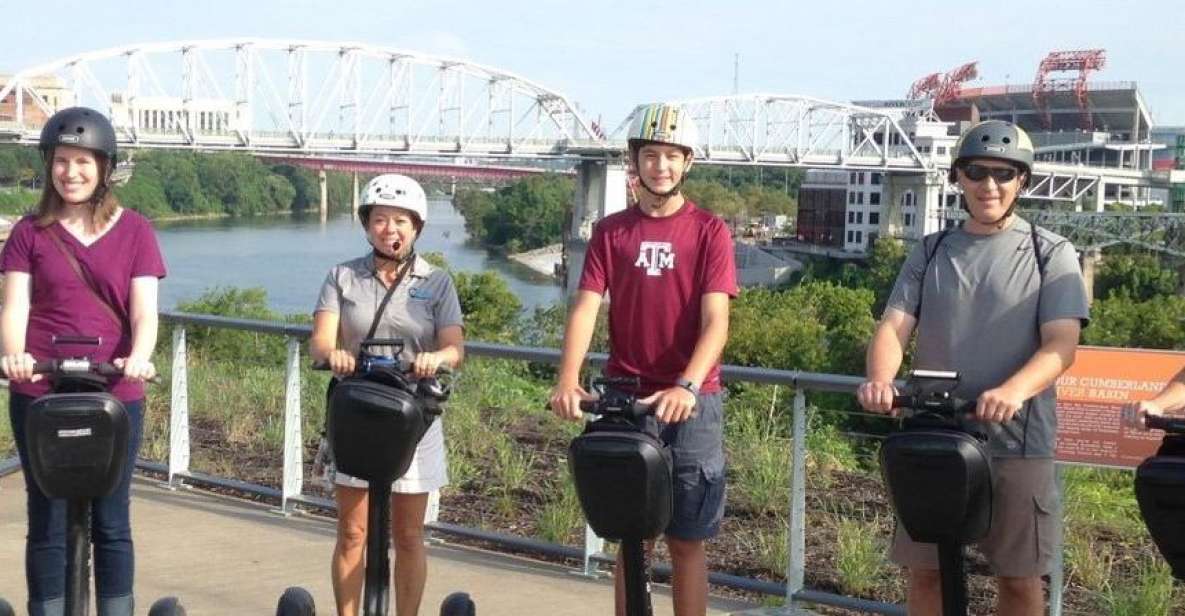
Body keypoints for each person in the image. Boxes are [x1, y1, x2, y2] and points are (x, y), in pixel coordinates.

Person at [857, 120, 1090, 615]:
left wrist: (1014, 390)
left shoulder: (1050, 252)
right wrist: (880, 379)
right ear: (958, 178)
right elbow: (894, 327)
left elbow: (1061, 345)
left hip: (1017, 440)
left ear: (1021, 182)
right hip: (935, 431)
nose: (990, 185)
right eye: (977, 172)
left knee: (1019, 578)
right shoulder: (932, 249)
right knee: (926, 573)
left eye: (1005, 174)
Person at [549, 102, 736, 616]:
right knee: (632, 540)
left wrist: (687, 386)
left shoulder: (708, 231)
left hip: (692, 405)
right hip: (625, 400)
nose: (661, 167)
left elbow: (716, 321)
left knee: (686, 542)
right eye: (650, 155)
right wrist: (568, 379)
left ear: (688, 163)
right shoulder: (612, 232)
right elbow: (587, 305)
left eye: (672, 157)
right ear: (635, 162)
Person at [0, 107, 167, 616]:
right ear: (49, 164)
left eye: (83, 162)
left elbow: (144, 314)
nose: (70, 172)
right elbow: (14, 307)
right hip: (40, 390)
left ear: (105, 168)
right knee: (47, 517)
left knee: (112, 520)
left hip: (113, 393)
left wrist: (138, 358)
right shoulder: (29, 232)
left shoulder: (135, 230)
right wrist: (14, 356)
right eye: (62, 161)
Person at [309, 173, 464, 616]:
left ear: (416, 227)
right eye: (380, 219)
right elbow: (320, 342)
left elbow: (456, 347)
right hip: (357, 412)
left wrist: (437, 359)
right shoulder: (341, 277)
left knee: (410, 535)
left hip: (414, 415)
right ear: (366, 224)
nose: (389, 230)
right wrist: (335, 355)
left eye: (400, 221)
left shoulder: (437, 282)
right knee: (352, 532)